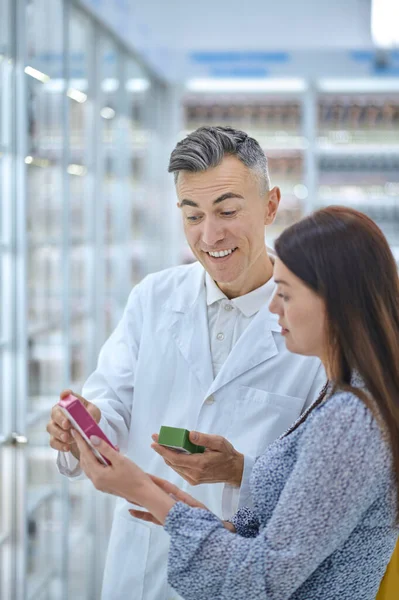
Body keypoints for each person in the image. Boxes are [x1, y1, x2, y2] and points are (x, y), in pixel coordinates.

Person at [46, 126, 325, 599]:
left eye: (228, 211)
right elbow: (112, 405)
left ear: (271, 206)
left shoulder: (315, 323)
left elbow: (324, 491)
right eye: (191, 215)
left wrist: (241, 469)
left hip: (240, 575)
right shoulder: (153, 297)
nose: (209, 235)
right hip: (139, 570)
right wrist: (85, 430)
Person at [73, 205, 399, 600]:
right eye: (192, 215)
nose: (274, 307)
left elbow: (263, 577)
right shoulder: (346, 394)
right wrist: (184, 511)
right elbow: (295, 530)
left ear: (337, 301)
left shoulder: (351, 417)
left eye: (286, 294)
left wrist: (143, 490)